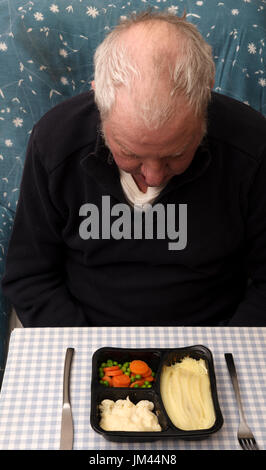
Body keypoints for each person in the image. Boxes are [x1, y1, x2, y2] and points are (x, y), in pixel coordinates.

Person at [2, 10, 266, 327]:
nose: (154, 178)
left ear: (205, 95)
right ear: (99, 97)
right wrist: (93, 352)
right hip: (87, 335)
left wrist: (217, 357)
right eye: (130, 153)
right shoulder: (55, 142)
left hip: (212, 337)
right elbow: (30, 276)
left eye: (176, 153)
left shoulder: (252, 146)